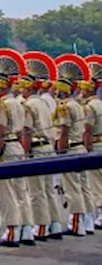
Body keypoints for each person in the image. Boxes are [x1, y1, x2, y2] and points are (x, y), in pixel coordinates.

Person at [0, 49, 36, 246]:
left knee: (8, 192)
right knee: (22, 191)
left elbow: (0, 133)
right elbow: (24, 131)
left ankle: (12, 231)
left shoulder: (2, 105)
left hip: (8, 148)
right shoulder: (19, 103)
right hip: (18, 147)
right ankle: (27, 229)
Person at [23, 51, 66, 239]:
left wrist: (24, 155)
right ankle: (55, 225)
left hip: (36, 149)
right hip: (47, 147)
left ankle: (41, 226)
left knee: (36, 191)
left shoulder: (28, 105)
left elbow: (27, 132)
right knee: (49, 189)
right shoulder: (42, 102)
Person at [53, 53, 93, 236]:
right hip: (81, 147)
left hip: (71, 148)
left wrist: (61, 152)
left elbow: (64, 131)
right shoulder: (78, 104)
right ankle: (87, 222)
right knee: (84, 187)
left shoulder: (65, 107)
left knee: (73, 189)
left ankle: (76, 224)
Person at [84, 56, 102, 230]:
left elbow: (88, 130)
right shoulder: (100, 104)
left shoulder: (89, 107)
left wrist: (87, 148)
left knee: (96, 183)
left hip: (95, 144)